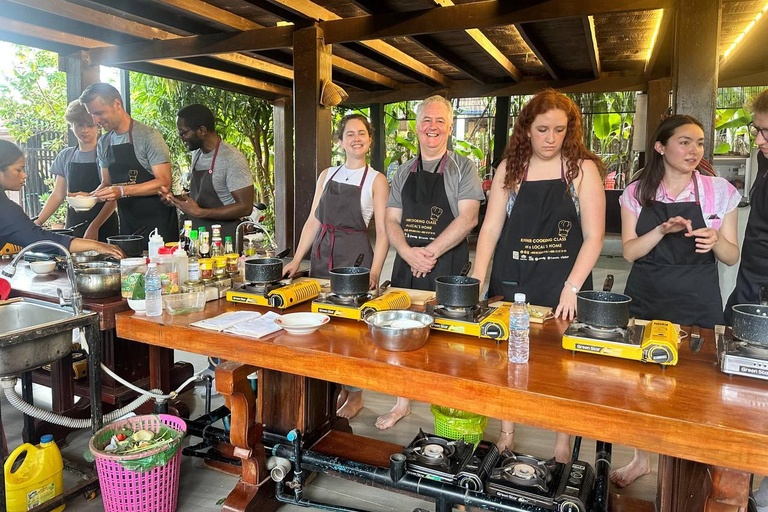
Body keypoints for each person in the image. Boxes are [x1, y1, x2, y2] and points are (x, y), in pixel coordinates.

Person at [471, 88, 605, 458]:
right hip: (514, 279)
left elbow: (594, 237)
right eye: (543, 129)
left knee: (564, 365)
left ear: (570, 130)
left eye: (559, 130)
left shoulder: (582, 170)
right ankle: (507, 432)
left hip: (564, 281)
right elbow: (490, 230)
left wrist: (572, 287)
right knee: (507, 358)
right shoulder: (510, 169)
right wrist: (479, 280)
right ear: (527, 128)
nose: (551, 139)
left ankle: (562, 444)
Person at [615, 114, 740, 487]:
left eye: (699, 142)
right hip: (647, 296)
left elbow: (732, 256)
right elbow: (629, 252)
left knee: (696, 387)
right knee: (640, 382)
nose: (694, 150)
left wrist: (716, 241)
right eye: (684, 142)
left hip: (698, 300)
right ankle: (641, 460)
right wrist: (660, 229)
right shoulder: (636, 192)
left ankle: (686, 469)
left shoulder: (718, 191)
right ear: (660, 147)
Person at [383, 95, 484, 429]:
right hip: (407, 263)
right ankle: (402, 403)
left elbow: (469, 218)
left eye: (440, 121)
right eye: (427, 119)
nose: (433, 127)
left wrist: (429, 253)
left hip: (446, 267)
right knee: (402, 333)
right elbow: (390, 220)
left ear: (450, 127)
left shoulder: (463, 167)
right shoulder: (402, 171)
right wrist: (409, 253)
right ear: (416, 125)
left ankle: (448, 407)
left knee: (447, 338)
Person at [282, 114, 389, 420]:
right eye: (350, 134)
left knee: (352, 333)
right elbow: (314, 221)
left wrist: (375, 271)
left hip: (355, 259)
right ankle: (331, 390)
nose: (357, 138)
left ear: (369, 140)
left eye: (362, 134)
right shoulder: (327, 175)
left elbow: (382, 233)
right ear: (340, 141)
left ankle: (354, 395)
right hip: (322, 254)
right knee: (322, 327)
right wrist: (296, 259)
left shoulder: (376, 180)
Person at [80, 83, 179, 247]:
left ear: (117, 104)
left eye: (99, 113)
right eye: (92, 115)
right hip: (127, 224)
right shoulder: (104, 142)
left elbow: (164, 182)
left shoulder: (148, 136)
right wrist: (89, 198)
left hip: (158, 225)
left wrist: (121, 190)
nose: (96, 120)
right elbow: (107, 183)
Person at [0, 140, 124, 259]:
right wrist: (96, 246)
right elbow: (38, 239)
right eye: (19, 169)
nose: (24, 174)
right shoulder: (5, 208)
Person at [159, 104, 254, 241]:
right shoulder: (197, 154)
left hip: (224, 238)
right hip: (198, 236)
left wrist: (201, 212)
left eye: (183, 132)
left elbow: (245, 207)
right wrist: (176, 199)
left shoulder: (232, 159)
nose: (181, 137)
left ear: (202, 130)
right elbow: (201, 197)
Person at [35, 100, 119, 241]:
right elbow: (58, 194)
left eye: (90, 125)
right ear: (71, 125)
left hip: (104, 224)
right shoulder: (66, 156)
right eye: (80, 125)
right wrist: (38, 222)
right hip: (74, 223)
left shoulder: (107, 154)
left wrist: (94, 227)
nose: (84, 130)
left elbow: (113, 197)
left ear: (98, 126)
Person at [725, 89, 768, 323]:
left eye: (767, 132)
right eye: (757, 129)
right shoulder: (764, 158)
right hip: (748, 286)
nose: (759, 140)